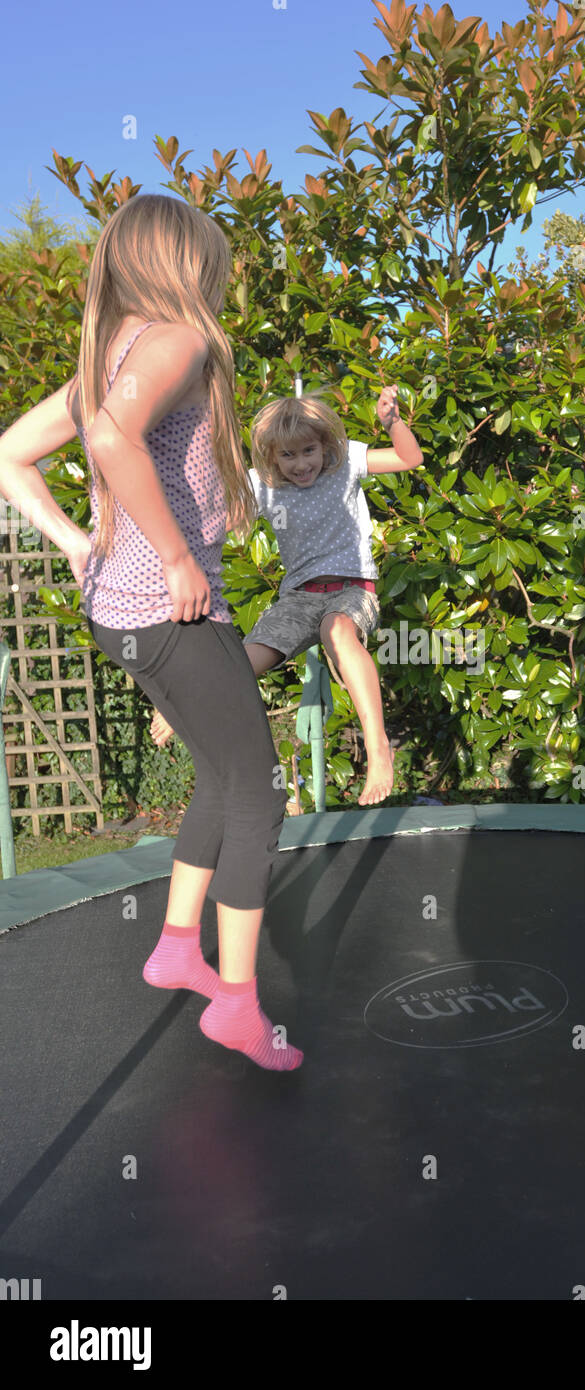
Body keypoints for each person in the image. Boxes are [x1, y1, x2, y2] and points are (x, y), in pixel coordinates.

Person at [0, 193, 301, 1072]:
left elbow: (13, 452)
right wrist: (172, 558)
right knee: (260, 790)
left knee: (220, 770)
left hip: (118, 613)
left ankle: (177, 945)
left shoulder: (112, 353)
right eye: (212, 259)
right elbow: (108, 435)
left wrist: (73, 542)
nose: (219, 273)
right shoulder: (179, 338)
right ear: (181, 262)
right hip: (169, 609)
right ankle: (239, 1006)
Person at [150, 387, 424, 805]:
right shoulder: (261, 485)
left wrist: (392, 423)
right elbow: (216, 524)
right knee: (236, 664)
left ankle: (378, 748)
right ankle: (177, 701)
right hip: (298, 599)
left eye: (308, 451)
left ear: (325, 444)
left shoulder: (346, 463)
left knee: (337, 630)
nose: (301, 465)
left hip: (352, 590)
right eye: (288, 456)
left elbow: (409, 459)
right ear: (271, 458)